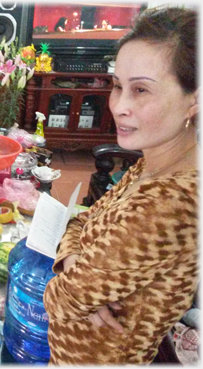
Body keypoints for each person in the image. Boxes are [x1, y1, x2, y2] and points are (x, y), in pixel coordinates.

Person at [43, 6, 198, 365]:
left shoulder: (173, 202)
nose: (119, 106)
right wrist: (72, 258)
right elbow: (81, 219)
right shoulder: (154, 163)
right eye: (116, 86)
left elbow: (57, 301)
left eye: (141, 90)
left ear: (195, 100)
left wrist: (75, 284)